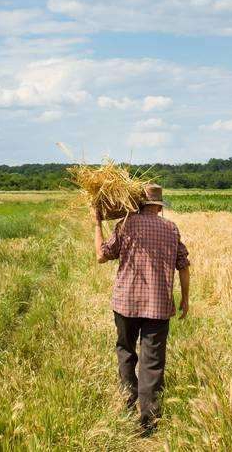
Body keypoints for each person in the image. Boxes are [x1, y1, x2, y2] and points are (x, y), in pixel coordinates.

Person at [92, 183, 190, 436]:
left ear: (137, 203)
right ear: (158, 205)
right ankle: (147, 420)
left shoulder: (125, 225)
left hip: (126, 303)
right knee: (153, 361)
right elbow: (183, 265)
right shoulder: (171, 228)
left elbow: (102, 256)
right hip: (158, 305)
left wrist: (96, 224)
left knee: (125, 350)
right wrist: (185, 298)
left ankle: (127, 402)